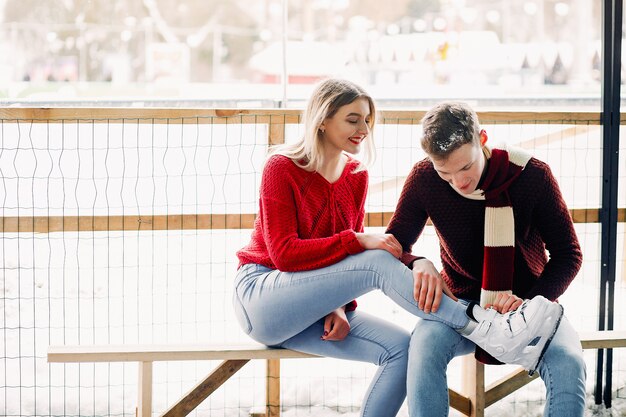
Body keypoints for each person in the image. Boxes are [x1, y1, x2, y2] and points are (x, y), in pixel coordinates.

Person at [234, 80, 564, 417]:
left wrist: (334, 304)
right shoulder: (282, 167)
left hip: (309, 311)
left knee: (401, 351)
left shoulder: (355, 176)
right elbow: (285, 254)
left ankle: (485, 326)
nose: (364, 129)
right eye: (353, 119)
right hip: (262, 296)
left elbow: (337, 262)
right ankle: (482, 325)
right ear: (322, 119)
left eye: (367, 120)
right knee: (375, 259)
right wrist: (358, 240)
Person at [385, 101, 586, 417]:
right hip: (461, 306)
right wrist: (418, 262)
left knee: (569, 362)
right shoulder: (424, 178)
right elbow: (395, 244)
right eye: (445, 173)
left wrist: (529, 304)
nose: (459, 182)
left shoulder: (533, 175)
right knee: (422, 348)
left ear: (482, 139)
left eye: (465, 167)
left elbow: (568, 255)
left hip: (529, 302)